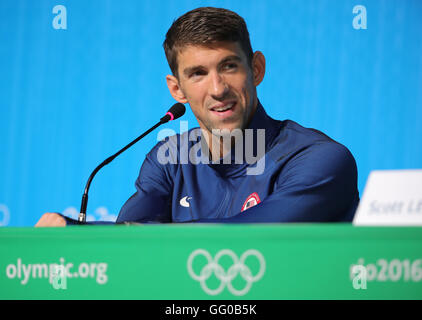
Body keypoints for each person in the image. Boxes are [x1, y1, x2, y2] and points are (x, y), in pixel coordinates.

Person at [35, 7, 359, 227]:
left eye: (229, 66)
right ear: (177, 89)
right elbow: (129, 243)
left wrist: (91, 232)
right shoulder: (169, 159)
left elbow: (259, 238)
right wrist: (75, 236)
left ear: (256, 68)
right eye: (198, 74)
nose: (218, 89)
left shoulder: (319, 159)